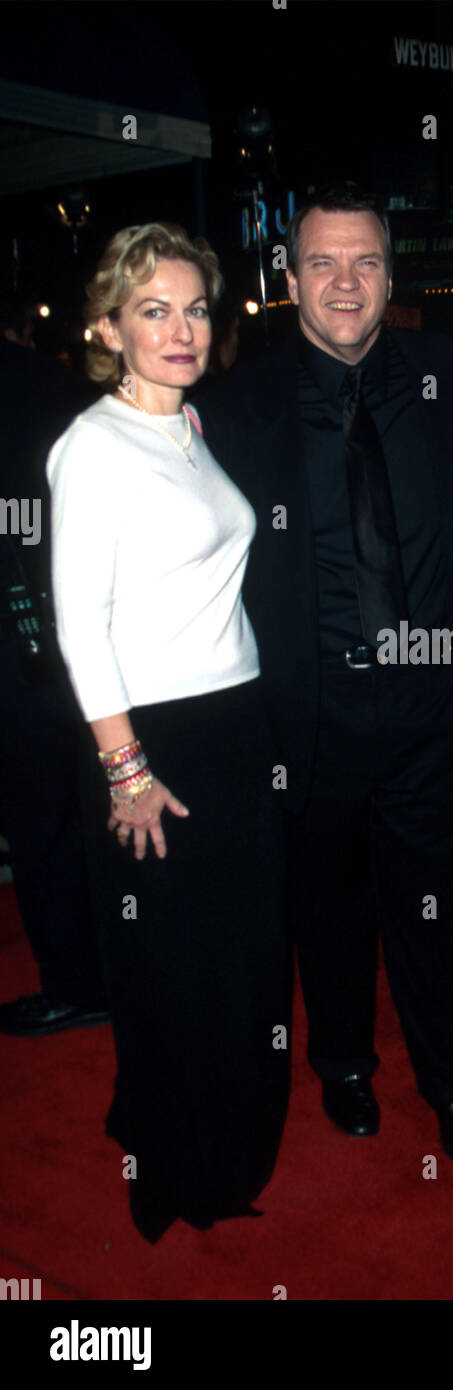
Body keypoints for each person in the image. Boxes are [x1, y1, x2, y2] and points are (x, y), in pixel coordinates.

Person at [197, 187, 453, 1171]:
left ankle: (450, 1081)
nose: (345, 282)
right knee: (326, 905)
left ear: (392, 277)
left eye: (364, 261)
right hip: (304, 707)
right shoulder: (235, 409)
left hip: (426, 696)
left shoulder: (452, 379)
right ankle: (344, 1065)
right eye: (322, 263)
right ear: (288, 280)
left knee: (431, 908)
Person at [46, 223, 290, 1241]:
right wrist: (127, 769)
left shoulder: (188, 426)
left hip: (235, 722)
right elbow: (78, 625)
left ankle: (205, 1119)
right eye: (155, 309)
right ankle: (183, 1162)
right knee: (174, 964)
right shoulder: (93, 446)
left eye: (196, 307)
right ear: (110, 325)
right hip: (155, 739)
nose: (183, 328)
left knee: (237, 954)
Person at [0, 312, 107, 1037]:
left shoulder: (33, 391)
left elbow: (23, 521)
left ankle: (75, 981)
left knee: (43, 823)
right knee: (77, 818)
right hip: (79, 638)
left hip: (28, 646)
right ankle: (101, 968)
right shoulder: (62, 389)